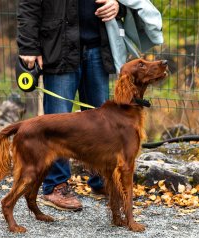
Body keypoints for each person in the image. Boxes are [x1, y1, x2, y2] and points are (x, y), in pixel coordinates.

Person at [17, 0, 123, 211]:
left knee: (101, 125)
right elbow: (28, 4)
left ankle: (101, 181)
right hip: (58, 48)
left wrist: (118, 5)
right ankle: (56, 186)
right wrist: (28, 45)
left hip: (97, 48)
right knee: (57, 124)